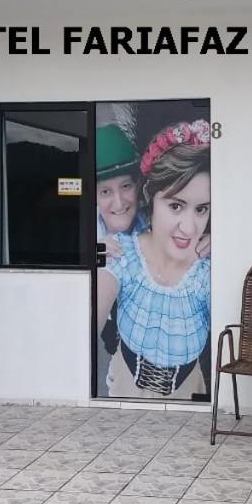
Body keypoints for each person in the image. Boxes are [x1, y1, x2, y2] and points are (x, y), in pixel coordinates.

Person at [97, 120, 211, 398]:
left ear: (139, 189)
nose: (189, 228)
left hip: (187, 382)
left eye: (201, 209)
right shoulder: (116, 250)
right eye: (175, 206)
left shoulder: (205, 263)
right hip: (126, 365)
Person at [95, 123, 147, 253]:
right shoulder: (82, 237)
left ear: (137, 184)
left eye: (125, 186)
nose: (119, 204)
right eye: (105, 192)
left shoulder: (157, 223)